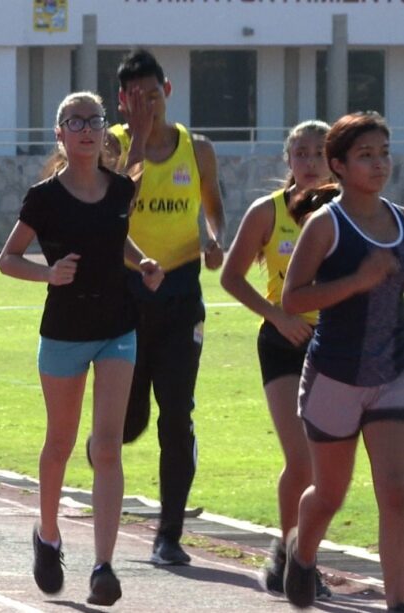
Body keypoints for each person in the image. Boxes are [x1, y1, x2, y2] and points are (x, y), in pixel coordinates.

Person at [0, 91, 163, 606]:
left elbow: (117, 242)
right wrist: (48, 273)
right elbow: (8, 259)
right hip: (65, 331)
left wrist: (145, 263)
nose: (87, 129)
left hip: (117, 326)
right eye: (76, 121)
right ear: (60, 134)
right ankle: (48, 535)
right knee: (61, 443)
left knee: (108, 446)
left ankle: (104, 567)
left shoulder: (120, 190)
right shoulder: (43, 197)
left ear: (103, 130)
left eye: (94, 120)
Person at [87, 48, 227, 566]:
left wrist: (215, 239)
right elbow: (109, 206)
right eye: (134, 97)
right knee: (129, 423)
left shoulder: (199, 150)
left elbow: (214, 206)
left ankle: (169, 534)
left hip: (180, 295)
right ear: (121, 101)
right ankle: (106, 440)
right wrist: (138, 143)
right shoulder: (113, 147)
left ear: (167, 92)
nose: (145, 105)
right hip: (125, 296)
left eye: (153, 95)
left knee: (177, 418)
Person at [281, 112, 404, 611]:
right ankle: (301, 553)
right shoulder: (324, 226)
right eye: (366, 156)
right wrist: (357, 280)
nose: (379, 164)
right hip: (335, 376)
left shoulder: (400, 221)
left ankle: (397, 602)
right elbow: (293, 299)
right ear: (338, 165)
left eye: (384, 153)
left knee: (397, 491)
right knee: (329, 494)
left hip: (392, 376)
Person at [220, 120, 334, 599]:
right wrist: (277, 314)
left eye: (319, 154)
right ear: (288, 161)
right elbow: (231, 277)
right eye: (301, 153)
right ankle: (292, 558)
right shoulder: (267, 212)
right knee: (301, 459)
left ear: (335, 161)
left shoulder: (347, 214)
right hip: (284, 340)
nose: (309, 163)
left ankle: (302, 554)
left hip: (338, 343)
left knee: (330, 470)